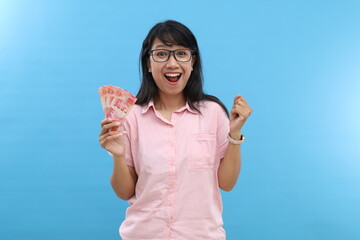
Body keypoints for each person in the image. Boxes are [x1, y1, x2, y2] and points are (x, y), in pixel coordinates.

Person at [99, 20, 252, 240]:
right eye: (161, 54)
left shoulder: (213, 113)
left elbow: (226, 183)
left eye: (181, 54)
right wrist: (118, 156)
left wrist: (235, 134)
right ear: (148, 63)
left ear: (192, 62)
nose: (172, 63)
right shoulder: (131, 117)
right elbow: (124, 192)